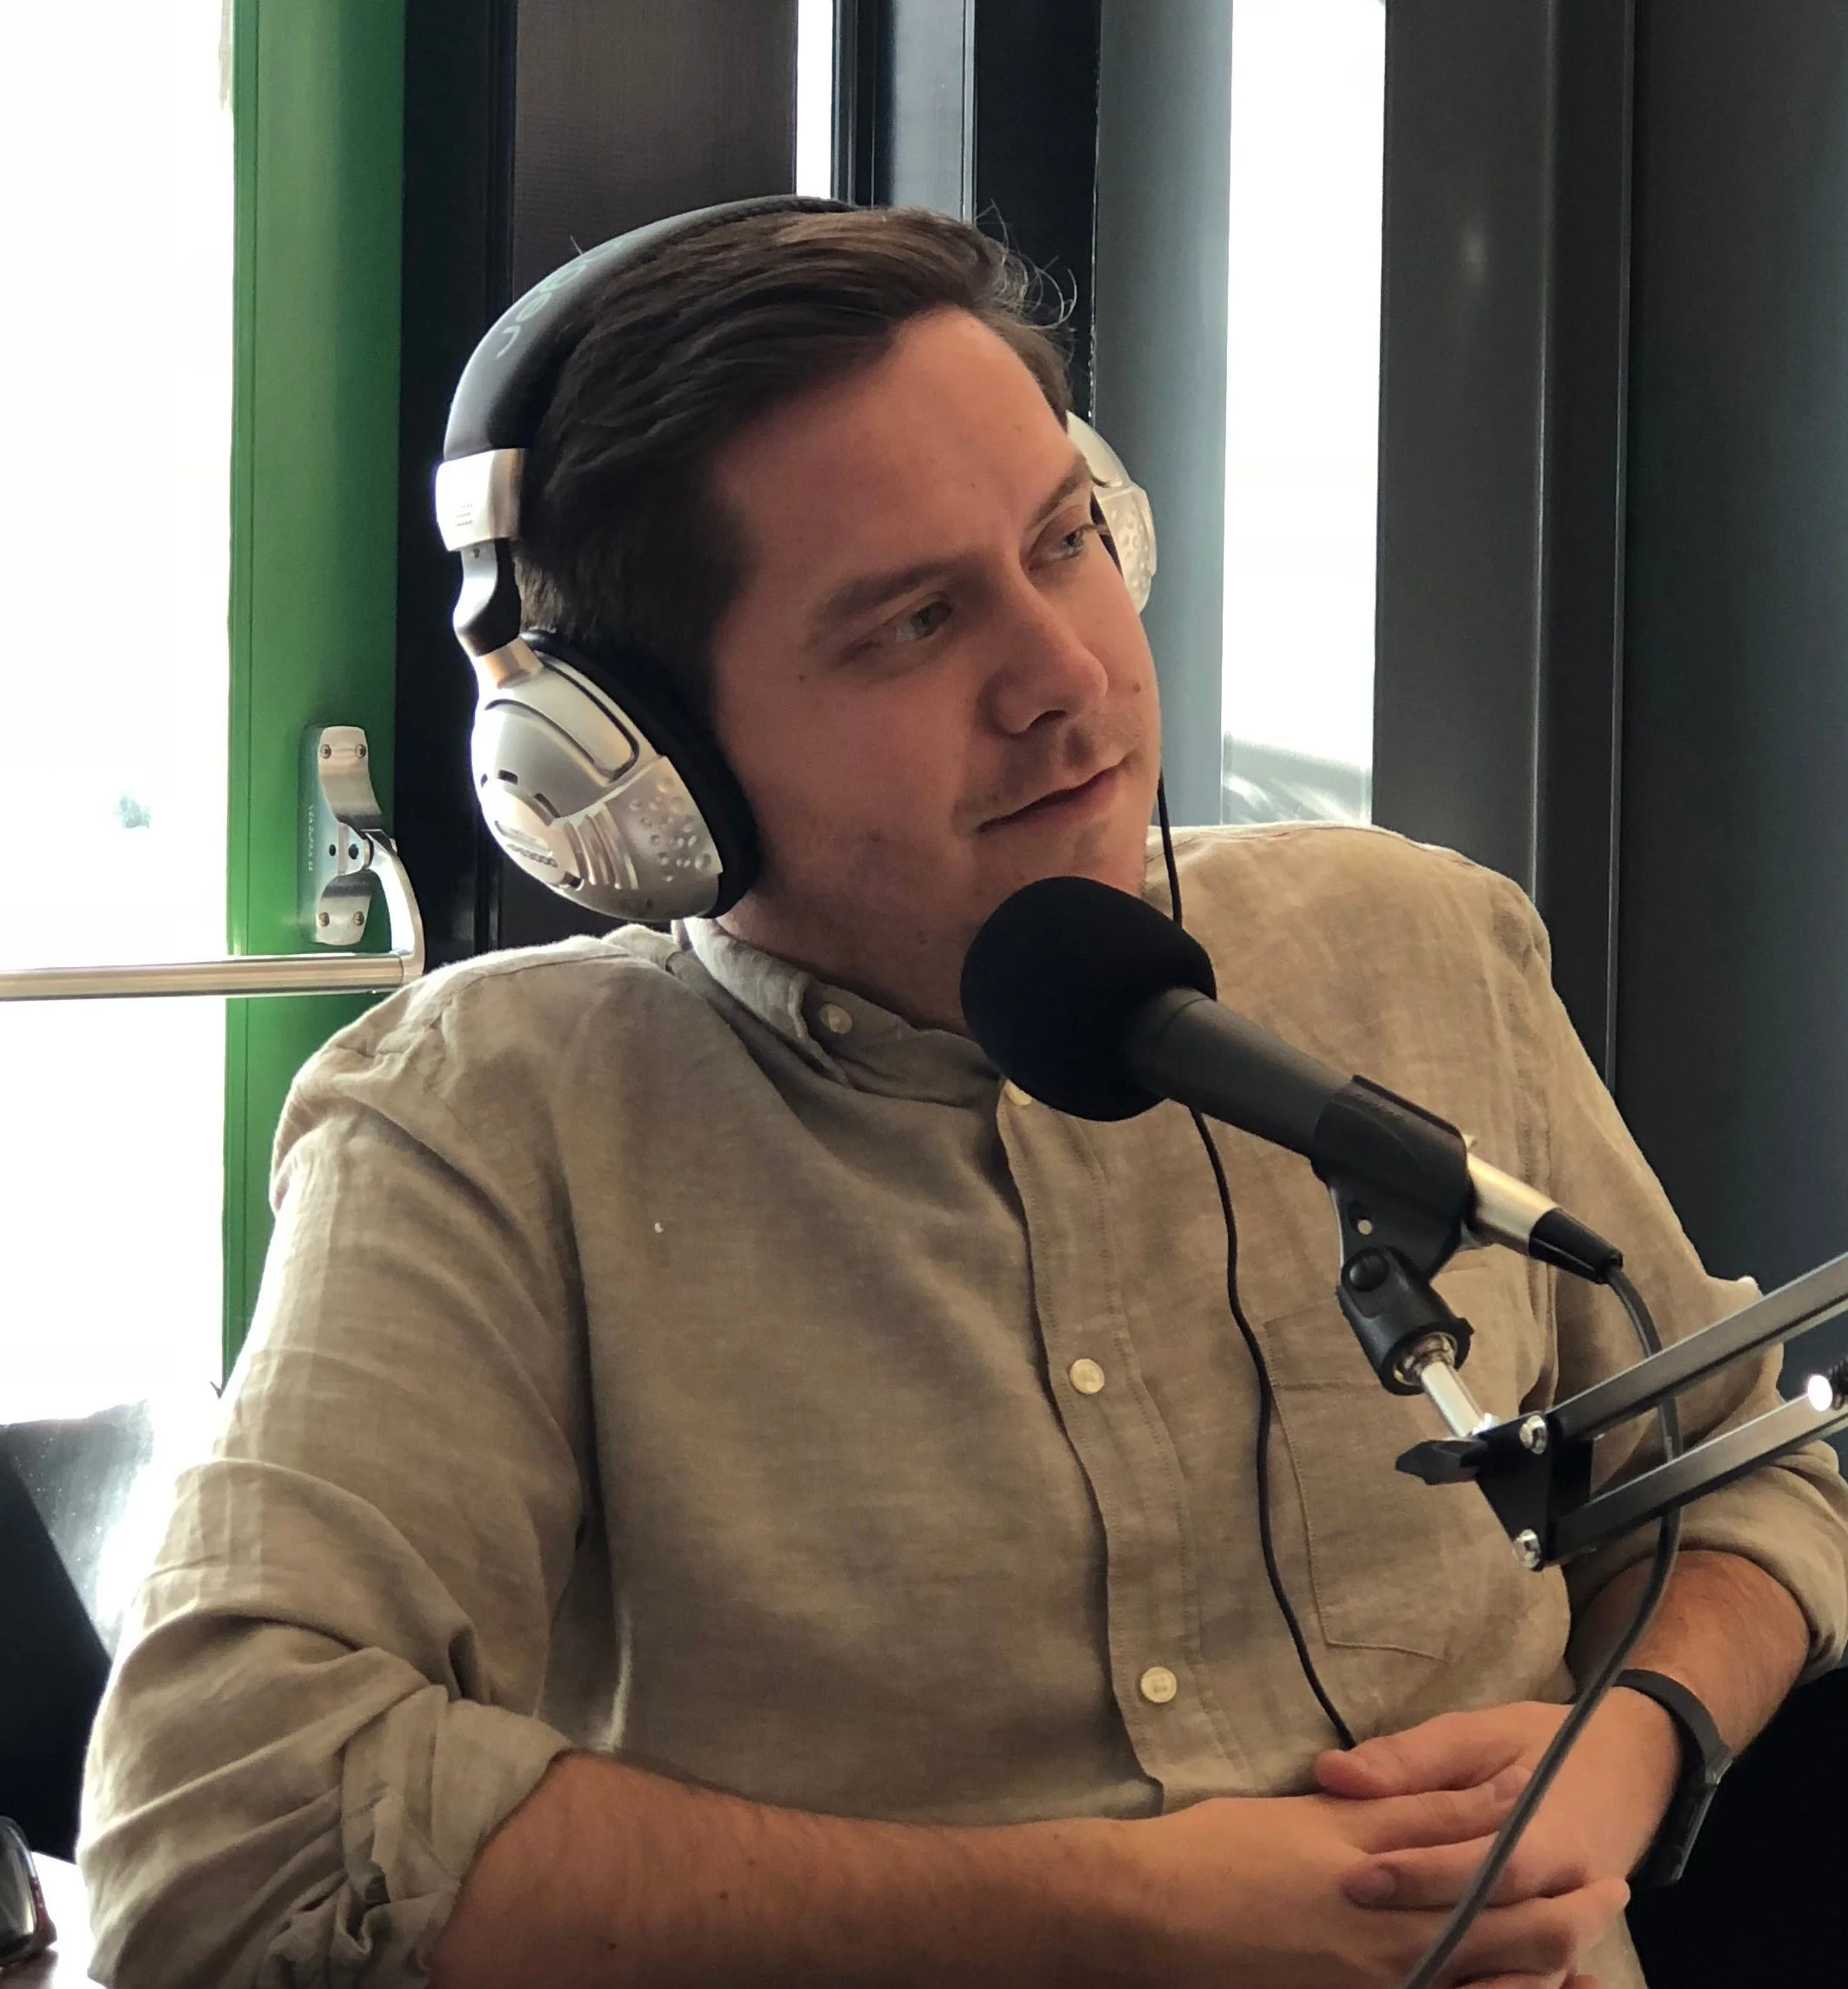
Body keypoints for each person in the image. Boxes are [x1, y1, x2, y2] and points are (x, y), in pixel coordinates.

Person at [81, 204, 1848, 1989]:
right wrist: (1133, 1908)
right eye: (914, 623)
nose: (1069, 678)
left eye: (1065, 541)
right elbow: (226, 1841)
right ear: (629, 765)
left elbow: (1754, 1480)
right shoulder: (485, 1124)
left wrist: (1616, 1753)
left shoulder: (1419, 945)